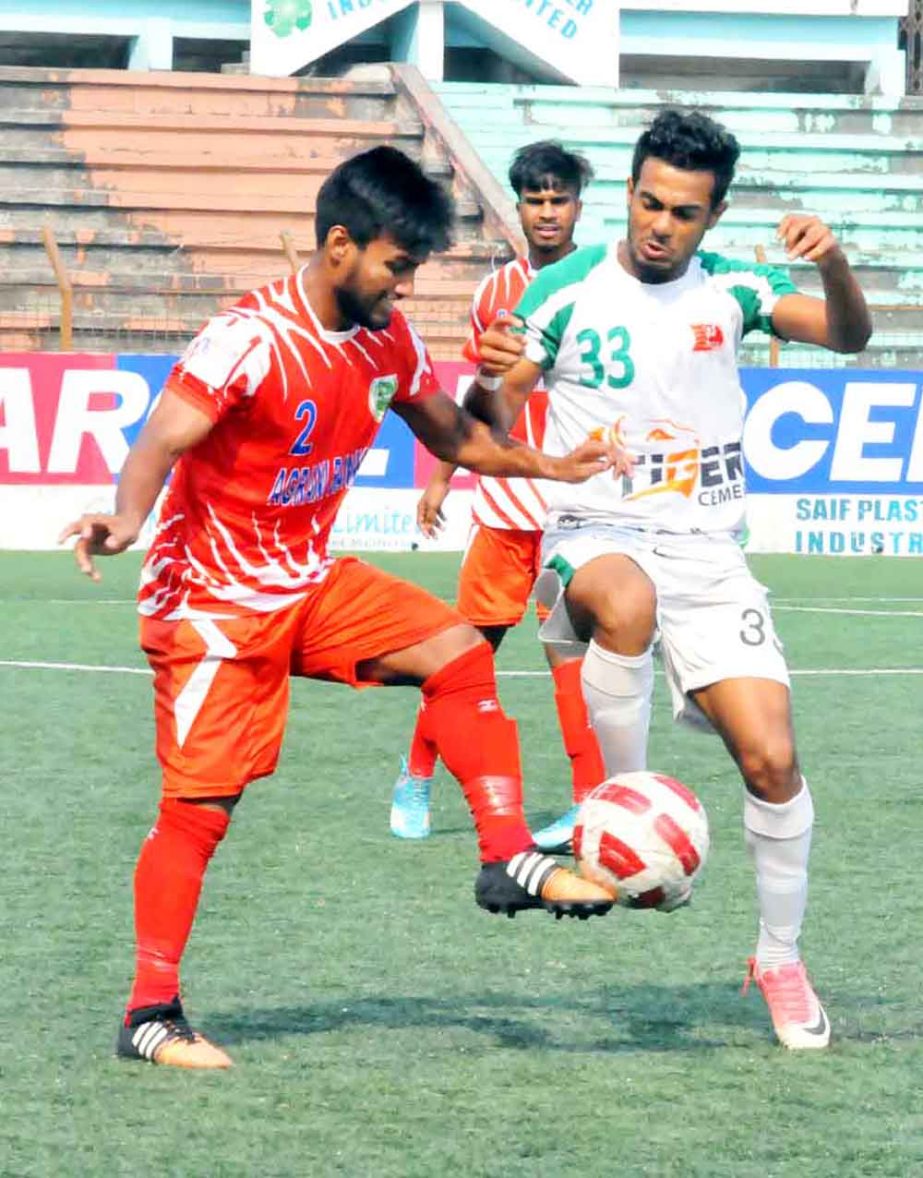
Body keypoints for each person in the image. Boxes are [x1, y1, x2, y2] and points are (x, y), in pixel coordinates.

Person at [59, 146, 625, 1071]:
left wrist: (552, 466)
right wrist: (125, 519)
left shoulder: (384, 341)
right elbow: (160, 440)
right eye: (395, 267)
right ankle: (149, 1012)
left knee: (455, 649)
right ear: (337, 246)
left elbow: (458, 434)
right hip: (212, 604)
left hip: (306, 580)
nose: (403, 287)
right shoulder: (251, 337)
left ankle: (506, 857)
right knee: (201, 809)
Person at [473, 109, 872, 1051]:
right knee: (626, 602)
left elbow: (848, 339)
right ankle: (625, 808)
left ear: (713, 214)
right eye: (648, 202)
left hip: (708, 551)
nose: (660, 224)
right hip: (591, 531)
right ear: (628, 194)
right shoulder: (564, 289)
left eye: (684, 212)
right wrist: (495, 380)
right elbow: (491, 418)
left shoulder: (735, 287)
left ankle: (778, 958)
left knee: (773, 762)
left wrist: (833, 264)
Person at [390, 141, 651, 849]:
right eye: (533, 200)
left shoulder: (610, 281)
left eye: (557, 199)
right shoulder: (492, 296)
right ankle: (415, 775)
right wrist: (443, 476)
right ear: (517, 205)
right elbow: (475, 407)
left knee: (573, 665)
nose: (545, 212)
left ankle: (586, 800)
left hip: (576, 513)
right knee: (464, 658)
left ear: (577, 204)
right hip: (506, 510)